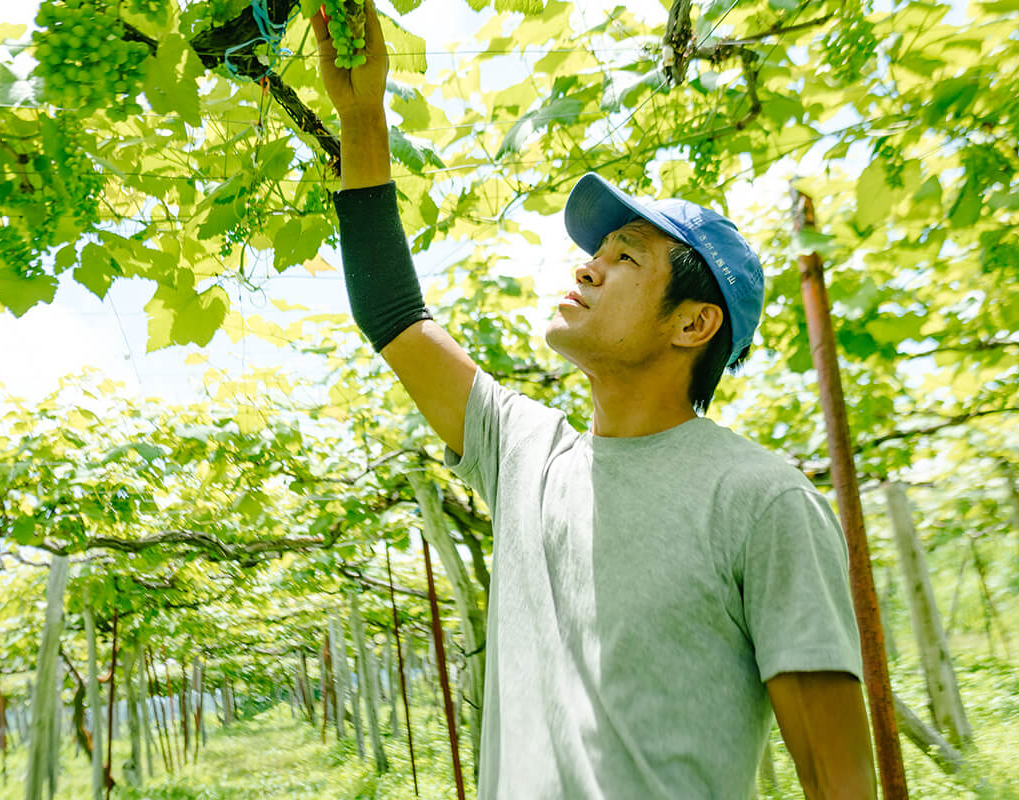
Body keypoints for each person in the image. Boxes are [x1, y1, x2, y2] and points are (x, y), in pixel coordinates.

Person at [310, 3, 878, 797]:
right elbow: (395, 317)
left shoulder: (760, 501)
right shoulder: (524, 453)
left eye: (625, 257)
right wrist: (362, 111)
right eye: (594, 252)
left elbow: (836, 776)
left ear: (693, 323)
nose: (586, 267)